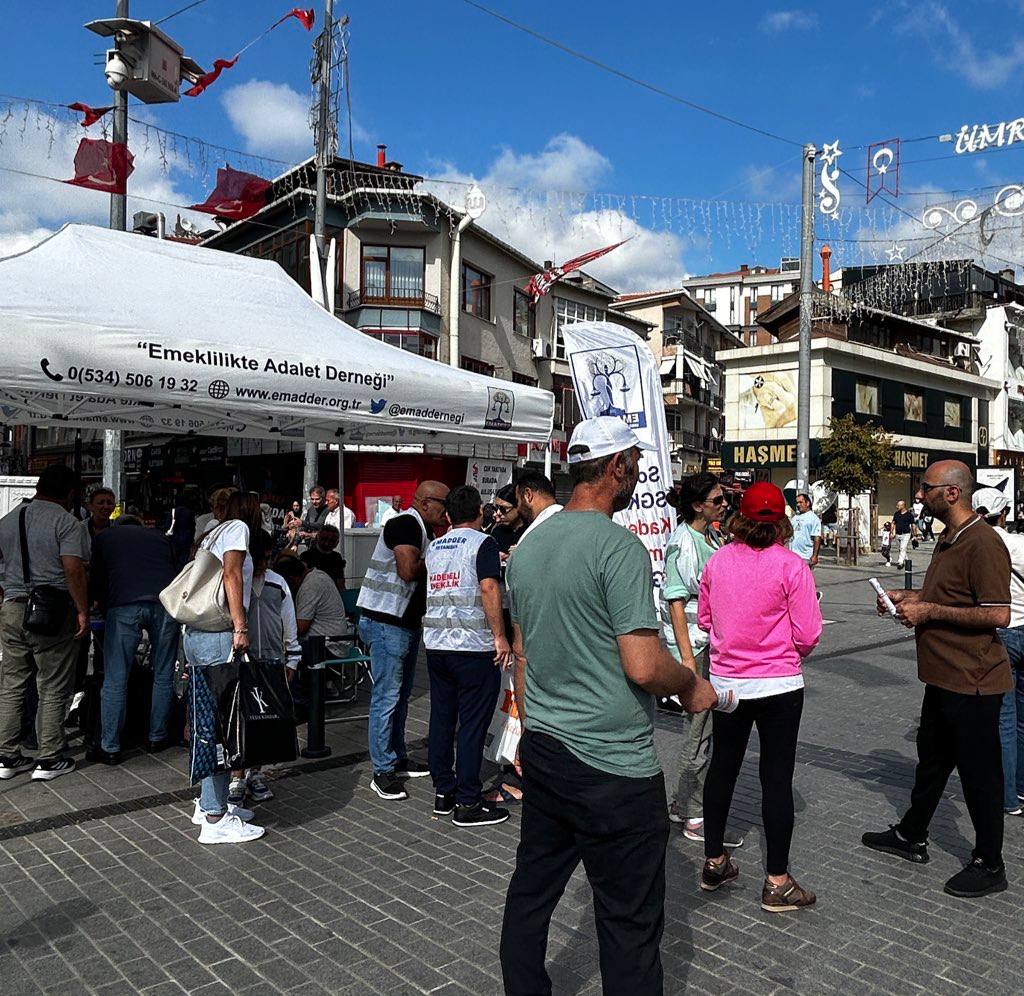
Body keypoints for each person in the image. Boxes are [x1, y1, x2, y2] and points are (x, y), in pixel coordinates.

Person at [500, 417, 718, 996]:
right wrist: (692, 684)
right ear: (617, 467)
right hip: (613, 768)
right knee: (628, 923)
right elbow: (644, 666)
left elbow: (522, 653)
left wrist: (525, 727)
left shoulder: (527, 548)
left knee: (531, 894)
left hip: (546, 751)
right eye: (636, 463)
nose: (640, 472)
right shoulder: (617, 548)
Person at [863, 461, 1011, 898]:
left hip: (974, 680)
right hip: (942, 677)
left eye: (926, 488)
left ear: (951, 493)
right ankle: (912, 835)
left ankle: (990, 863)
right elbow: (948, 596)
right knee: (931, 764)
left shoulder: (982, 543)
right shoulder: (949, 538)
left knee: (980, 776)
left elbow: (997, 613)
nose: (919, 494)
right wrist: (911, 598)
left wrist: (929, 612)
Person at [697, 482, 822, 912]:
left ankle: (714, 859)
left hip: (728, 683)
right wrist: (784, 649)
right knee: (776, 777)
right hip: (779, 685)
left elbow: (706, 618)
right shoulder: (793, 566)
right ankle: (777, 880)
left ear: (739, 518)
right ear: (782, 520)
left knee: (722, 768)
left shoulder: (717, 562)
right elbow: (808, 634)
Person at [662, 474, 744, 849]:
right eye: (716, 500)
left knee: (702, 729)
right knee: (699, 732)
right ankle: (696, 814)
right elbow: (676, 601)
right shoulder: (682, 541)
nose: (724, 504)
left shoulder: (705, 536)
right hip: (695, 647)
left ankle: (682, 803)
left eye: (723, 498)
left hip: (709, 644)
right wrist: (687, 663)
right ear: (697, 505)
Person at [424, 485, 513, 826]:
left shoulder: (435, 546)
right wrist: (500, 637)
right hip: (473, 646)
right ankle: (468, 801)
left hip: (437, 645)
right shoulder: (483, 543)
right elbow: (489, 588)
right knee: (472, 725)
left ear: (447, 515)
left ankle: (443, 793)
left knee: (443, 720)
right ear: (480, 511)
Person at [357, 481, 451, 801]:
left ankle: (397, 756)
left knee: (401, 694)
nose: (446, 509)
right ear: (425, 503)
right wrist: (443, 552)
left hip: (403, 623)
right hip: (387, 623)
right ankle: (382, 770)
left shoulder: (421, 528)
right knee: (386, 697)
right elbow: (408, 570)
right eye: (443, 503)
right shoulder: (405, 524)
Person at [184, 491, 266, 844]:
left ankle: (207, 804)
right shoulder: (236, 531)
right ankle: (216, 818)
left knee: (207, 721)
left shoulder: (211, 533)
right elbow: (232, 576)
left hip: (197, 635)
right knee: (222, 725)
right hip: (218, 635)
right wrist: (240, 627)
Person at [0, 465, 89, 781]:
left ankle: (7, 756)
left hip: (12, 607)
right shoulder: (67, 523)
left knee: (11, 683)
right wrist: (82, 610)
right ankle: (49, 758)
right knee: (52, 684)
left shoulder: (9, 520)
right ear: (68, 493)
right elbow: (73, 570)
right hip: (52, 610)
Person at [86, 514, 179, 764]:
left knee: (116, 677)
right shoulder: (160, 537)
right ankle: (156, 737)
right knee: (163, 671)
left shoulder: (105, 536)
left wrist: (97, 603)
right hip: (164, 603)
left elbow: (97, 578)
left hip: (124, 603)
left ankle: (110, 746)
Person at [227, 532, 301, 808]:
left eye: (268, 557)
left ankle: (256, 773)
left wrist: (292, 657)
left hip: (271, 658)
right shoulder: (238, 582)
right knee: (240, 718)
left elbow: (288, 621)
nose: (264, 563)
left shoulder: (277, 582)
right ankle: (237, 774)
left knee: (264, 719)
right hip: (243, 658)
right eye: (260, 557)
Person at [971, 488, 1024, 818]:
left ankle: (1007, 798)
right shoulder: (1019, 543)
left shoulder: (977, 544)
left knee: (1003, 720)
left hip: (1001, 634)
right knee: (1022, 719)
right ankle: (1021, 786)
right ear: (1004, 513)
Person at [275, 556, 348, 655]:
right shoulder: (319, 575)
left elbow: (300, 628)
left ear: (291, 579)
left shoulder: (309, 586)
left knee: (283, 650)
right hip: (334, 641)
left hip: (328, 646)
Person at [512, 471, 562, 547]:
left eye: (517, 501)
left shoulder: (532, 537)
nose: (518, 509)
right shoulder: (574, 521)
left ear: (528, 495)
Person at [300, 525, 346, 593]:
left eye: (331, 541)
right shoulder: (306, 556)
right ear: (317, 538)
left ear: (337, 543)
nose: (327, 543)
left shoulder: (337, 557)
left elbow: (340, 583)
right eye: (324, 539)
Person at [790, 493, 822, 569]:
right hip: (793, 555)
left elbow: (817, 538)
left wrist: (815, 556)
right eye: (797, 502)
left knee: (804, 579)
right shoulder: (795, 517)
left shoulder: (813, 518)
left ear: (807, 503)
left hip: (805, 556)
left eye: (801, 502)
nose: (798, 505)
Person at [490, 484, 524, 555]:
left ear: (518, 506)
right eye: (497, 508)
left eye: (503, 509)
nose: (498, 513)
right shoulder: (497, 532)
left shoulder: (531, 530)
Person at [297, 486, 329, 551]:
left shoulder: (328, 510)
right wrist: (295, 543)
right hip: (311, 547)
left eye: (317, 499)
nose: (314, 502)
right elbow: (303, 528)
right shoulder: (311, 509)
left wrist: (303, 523)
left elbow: (320, 525)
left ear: (323, 499)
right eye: (312, 499)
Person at [889, 499, 918, 568]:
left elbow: (913, 525)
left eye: (898, 505)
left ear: (903, 506)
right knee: (901, 549)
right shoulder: (896, 514)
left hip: (906, 534)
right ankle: (906, 560)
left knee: (902, 548)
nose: (897, 506)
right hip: (897, 534)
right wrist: (891, 532)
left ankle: (900, 562)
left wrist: (915, 535)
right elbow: (893, 523)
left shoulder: (909, 515)